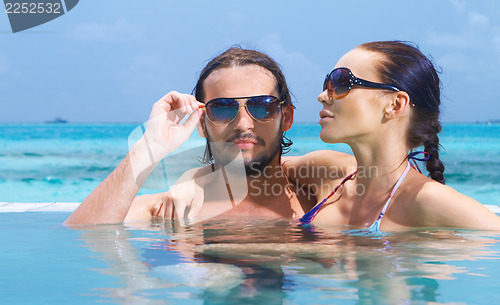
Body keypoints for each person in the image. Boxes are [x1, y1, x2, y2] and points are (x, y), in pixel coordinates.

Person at [64, 47, 324, 226]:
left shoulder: (321, 201)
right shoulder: (174, 208)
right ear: (202, 123)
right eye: (222, 108)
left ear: (286, 118)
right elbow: (84, 235)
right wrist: (150, 146)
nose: (244, 123)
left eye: (261, 106)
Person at [286, 40, 500, 231]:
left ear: (395, 104)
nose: (322, 96)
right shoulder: (330, 171)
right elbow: (260, 167)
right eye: (328, 85)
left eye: (341, 83)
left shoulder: (426, 199)